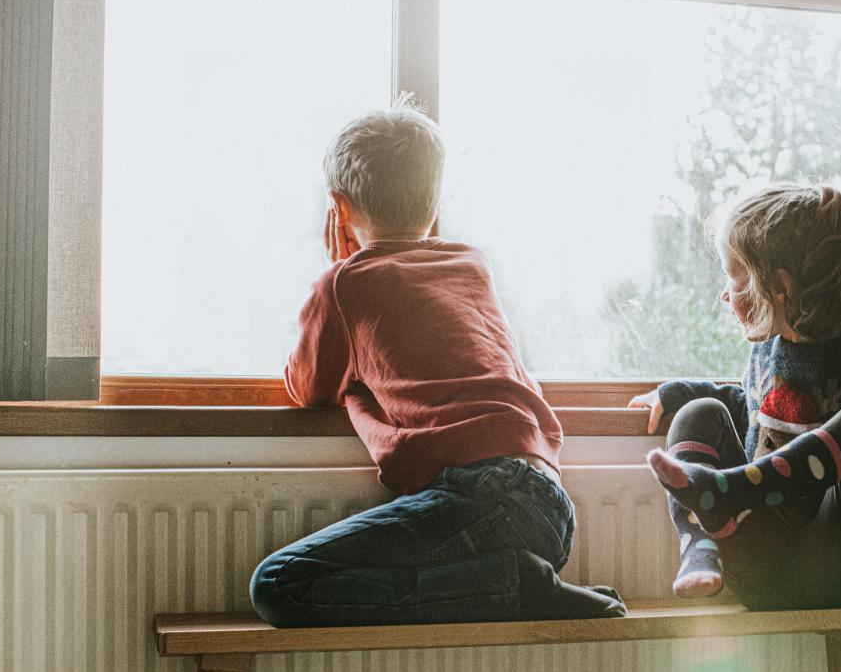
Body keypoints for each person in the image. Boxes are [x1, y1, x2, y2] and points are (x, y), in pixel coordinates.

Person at [251, 97, 625, 627]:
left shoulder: (345, 284)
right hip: (547, 502)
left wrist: (341, 274)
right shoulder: (471, 263)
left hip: (483, 496)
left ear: (338, 207)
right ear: (435, 202)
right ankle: (513, 581)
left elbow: (307, 387)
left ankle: (513, 588)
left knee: (278, 583)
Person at [629, 183, 841, 633]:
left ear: (780, 287)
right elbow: (752, 409)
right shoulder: (766, 356)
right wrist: (677, 393)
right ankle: (701, 545)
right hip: (757, 570)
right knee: (697, 412)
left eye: (735, 277)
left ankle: (730, 493)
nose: (726, 294)